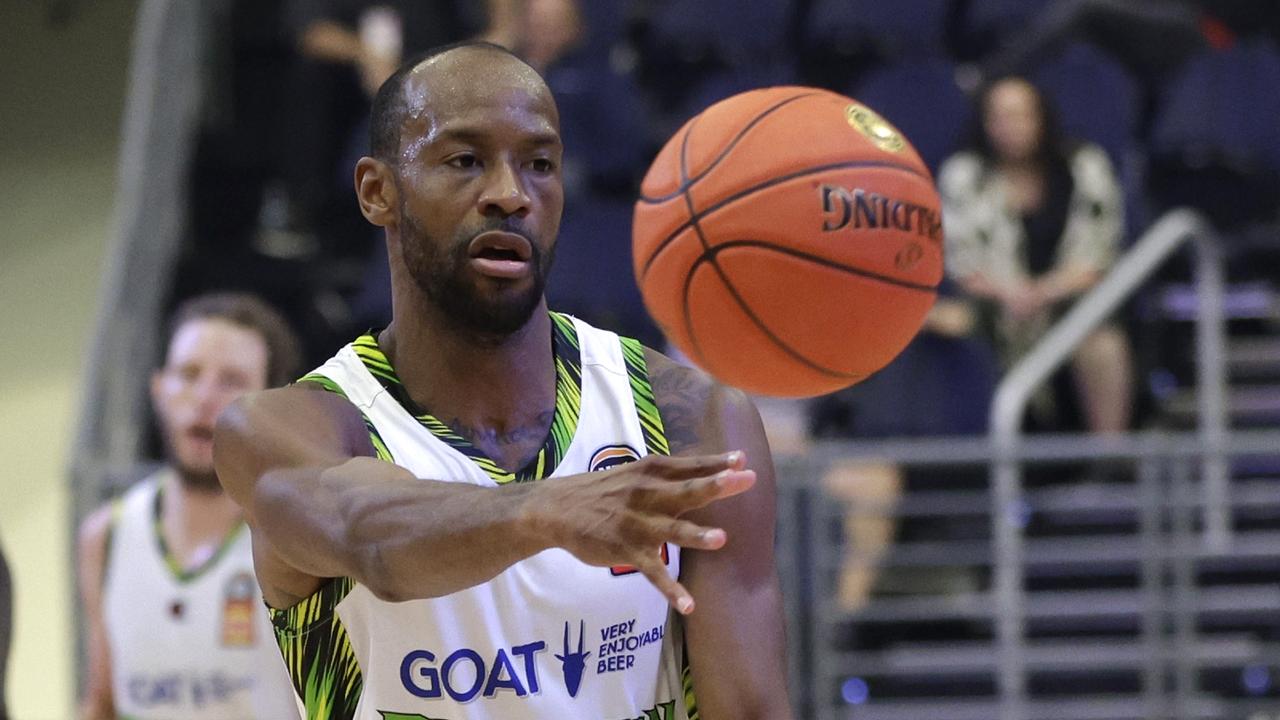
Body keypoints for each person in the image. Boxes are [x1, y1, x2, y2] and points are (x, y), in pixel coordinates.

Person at [214, 41, 792, 719]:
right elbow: (366, 534)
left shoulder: (688, 419)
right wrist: (543, 511)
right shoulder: (294, 427)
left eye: (540, 164)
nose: (510, 194)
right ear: (378, 192)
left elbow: (751, 710)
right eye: (465, 160)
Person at [78, 293, 304, 720]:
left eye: (232, 380)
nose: (204, 397)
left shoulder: (297, 536)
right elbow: (101, 702)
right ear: (159, 388)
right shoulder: (105, 535)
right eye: (188, 373)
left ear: (269, 403)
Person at [940, 75, 1133, 434]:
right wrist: (1010, 294)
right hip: (993, 308)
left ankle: (1111, 464)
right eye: (998, 117)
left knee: (1103, 342)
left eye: (1020, 115)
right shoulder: (963, 175)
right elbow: (961, 262)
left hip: (1069, 305)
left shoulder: (1085, 167)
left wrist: (1041, 292)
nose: (1009, 127)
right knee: (943, 321)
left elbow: (1100, 255)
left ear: (1042, 117)